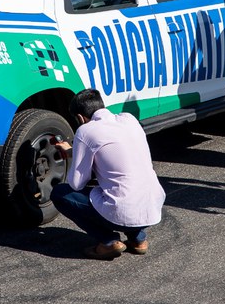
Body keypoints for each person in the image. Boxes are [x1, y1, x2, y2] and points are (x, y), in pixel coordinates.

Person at [51, 89, 166, 259]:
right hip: (153, 204)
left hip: (124, 208)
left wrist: (78, 150)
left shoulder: (85, 131)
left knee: (61, 193)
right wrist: (75, 151)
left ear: (81, 118)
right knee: (128, 184)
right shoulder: (129, 119)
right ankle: (138, 239)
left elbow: (77, 184)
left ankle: (108, 241)